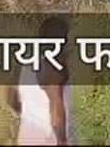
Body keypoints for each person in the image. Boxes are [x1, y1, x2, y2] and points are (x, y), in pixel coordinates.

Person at [7, 16, 76, 146]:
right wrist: (62, 141)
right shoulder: (54, 67)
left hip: (27, 135)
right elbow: (56, 105)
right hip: (49, 138)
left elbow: (11, 99)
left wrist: (30, 116)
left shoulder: (25, 62)